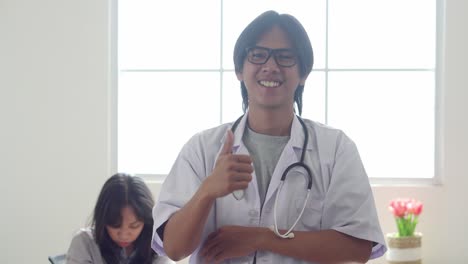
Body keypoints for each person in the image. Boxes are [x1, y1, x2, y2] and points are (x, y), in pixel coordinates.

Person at [152, 10, 387, 264]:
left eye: (285, 57)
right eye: (258, 55)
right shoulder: (202, 149)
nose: (271, 67)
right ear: (240, 70)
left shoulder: (336, 149)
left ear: (304, 74)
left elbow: (358, 248)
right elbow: (174, 249)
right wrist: (207, 191)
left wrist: (261, 238)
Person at [66, 173, 173, 264]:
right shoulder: (84, 243)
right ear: (103, 219)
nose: (124, 235)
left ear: (147, 221)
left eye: (134, 226)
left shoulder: (158, 245)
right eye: (115, 225)